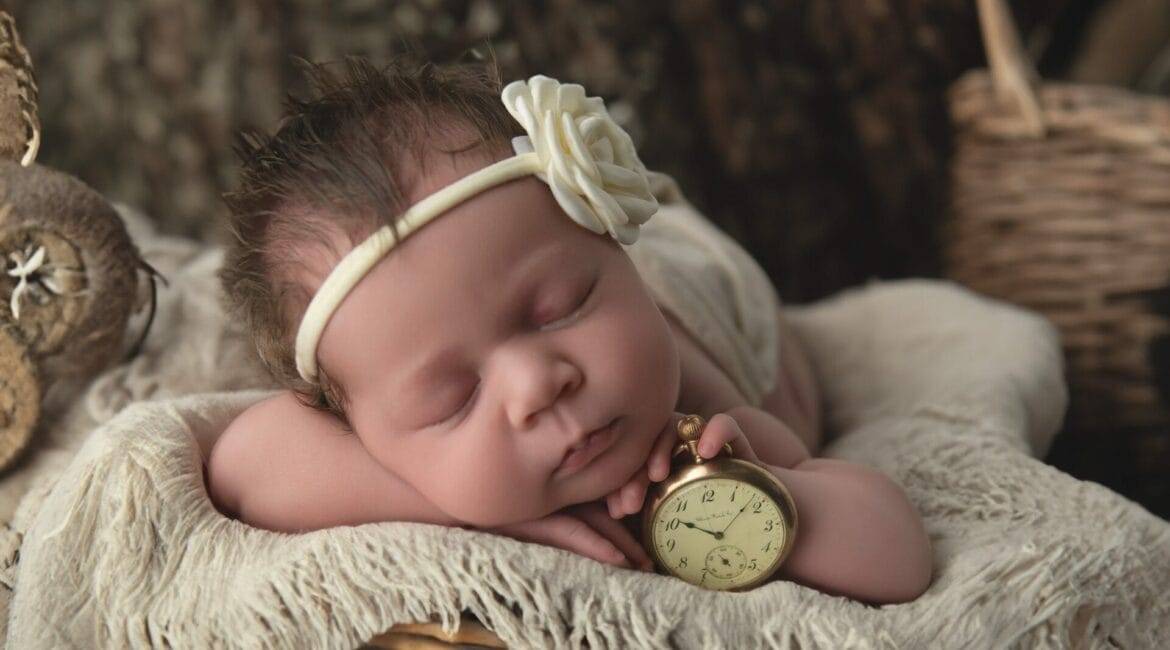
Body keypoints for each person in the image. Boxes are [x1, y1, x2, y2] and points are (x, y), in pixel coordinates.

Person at [208, 54, 932, 604]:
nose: (537, 384)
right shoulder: (377, 411)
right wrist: (469, 509)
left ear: (613, 256)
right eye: (452, 398)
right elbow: (243, 462)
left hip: (702, 279)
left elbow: (899, 560)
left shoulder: (695, 416)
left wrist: (768, 487)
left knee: (791, 388)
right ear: (358, 430)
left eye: (561, 308)